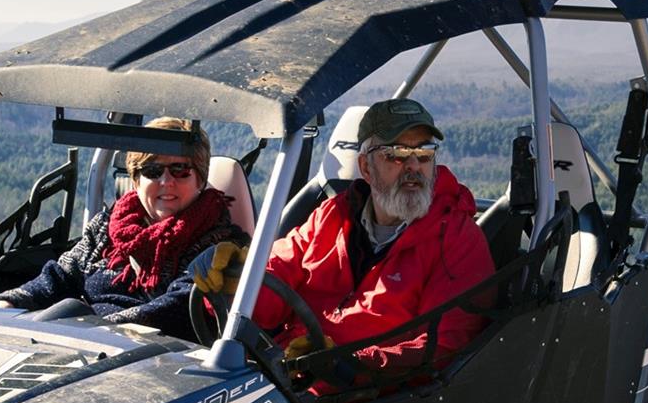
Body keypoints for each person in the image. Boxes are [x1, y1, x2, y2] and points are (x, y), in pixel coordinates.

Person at [210, 97, 495, 375]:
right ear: (366, 167)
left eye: (424, 153)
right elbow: (276, 275)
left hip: (371, 396)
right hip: (290, 380)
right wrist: (234, 283)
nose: (413, 166)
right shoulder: (332, 216)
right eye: (396, 154)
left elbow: (447, 345)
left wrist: (347, 364)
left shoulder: (456, 238)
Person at [0, 117, 247, 341]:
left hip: (157, 358)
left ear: (200, 179)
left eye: (180, 169)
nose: (166, 181)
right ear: (135, 179)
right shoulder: (108, 225)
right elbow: (62, 275)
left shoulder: (221, 243)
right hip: (86, 345)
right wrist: (9, 303)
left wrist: (93, 328)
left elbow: (179, 307)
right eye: (153, 170)